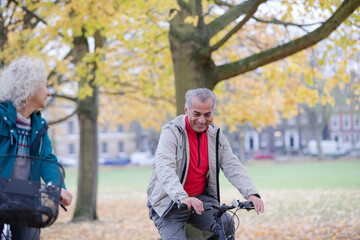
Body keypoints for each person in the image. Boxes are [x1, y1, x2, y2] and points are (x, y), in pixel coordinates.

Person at [147, 88, 264, 240]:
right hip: (169, 203)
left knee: (226, 223)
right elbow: (165, 168)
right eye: (196, 114)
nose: (202, 120)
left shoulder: (215, 135)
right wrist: (182, 197)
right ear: (186, 109)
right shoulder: (171, 132)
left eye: (207, 114)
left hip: (201, 201)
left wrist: (251, 193)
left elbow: (232, 165)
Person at [0, 56, 73, 240]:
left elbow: (48, 160)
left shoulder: (38, 125)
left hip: (25, 203)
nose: (49, 93)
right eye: (45, 86)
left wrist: (57, 187)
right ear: (29, 86)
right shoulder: (2, 118)